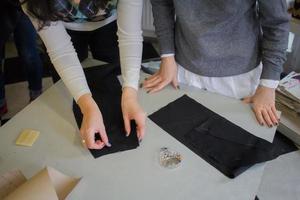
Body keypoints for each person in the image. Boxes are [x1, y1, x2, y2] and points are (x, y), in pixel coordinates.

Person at [143, 0, 289, 128]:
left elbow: (276, 23)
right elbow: (161, 3)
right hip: (183, 67)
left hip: (239, 77)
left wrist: (268, 85)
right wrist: (167, 55)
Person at [21, 0, 146, 149]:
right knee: (69, 95)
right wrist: (87, 107)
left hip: (109, 22)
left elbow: (130, 36)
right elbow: (61, 52)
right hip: (63, 25)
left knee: (112, 78)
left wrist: (130, 95)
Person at [0, 0, 43, 117]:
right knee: (29, 54)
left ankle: (36, 96)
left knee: (29, 54)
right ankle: (1, 103)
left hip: (24, 6)